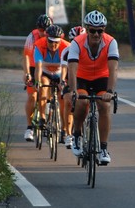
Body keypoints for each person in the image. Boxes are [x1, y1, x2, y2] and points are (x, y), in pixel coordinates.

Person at [66, 10, 119, 165]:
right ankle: (76, 135)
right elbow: (72, 69)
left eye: (100, 31)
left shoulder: (111, 42)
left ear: (104, 30)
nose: (96, 34)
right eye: (92, 31)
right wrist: (74, 90)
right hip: (82, 77)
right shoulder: (77, 42)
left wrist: (109, 92)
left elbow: (113, 69)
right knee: (81, 103)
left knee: (104, 105)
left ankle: (103, 148)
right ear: (87, 29)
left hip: (101, 78)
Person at [34, 24, 70, 139]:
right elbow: (38, 66)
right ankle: (43, 118)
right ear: (46, 39)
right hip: (45, 73)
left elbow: (66, 67)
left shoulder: (66, 47)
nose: (53, 45)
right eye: (50, 42)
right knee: (43, 87)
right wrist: (37, 81)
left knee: (63, 99)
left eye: (56, 42)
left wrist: (63, 81)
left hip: (60, 74)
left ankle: (64, 129)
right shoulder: (39, 45)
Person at [23, 14, 52, 142]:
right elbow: (26, 57)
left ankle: (48, 121)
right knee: (33, 96)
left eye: (46, 29)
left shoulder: (55, 36)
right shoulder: (32, 37)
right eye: (41, 29)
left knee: (49, 97)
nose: (43, 32)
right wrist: (27, 73)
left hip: (49, 68)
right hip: (35, 67)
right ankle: (29, 127)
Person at [60, 26, 87, 148]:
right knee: (68, 101)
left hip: (85, 80)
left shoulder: (90, 49)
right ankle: (68, 133)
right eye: (74, 41)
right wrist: (62, 81)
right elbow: (65, 69)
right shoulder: (66, 51)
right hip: (70, 80)